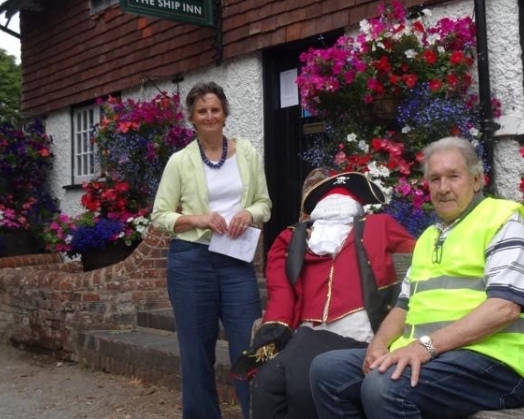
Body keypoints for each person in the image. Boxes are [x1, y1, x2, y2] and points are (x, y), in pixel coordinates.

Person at [309, 137, 524, 419]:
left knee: (385, 386)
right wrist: (378, 344)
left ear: (477, 180)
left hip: (495, 362)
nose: (443, 188)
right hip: (438, 356)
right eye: (435, 179)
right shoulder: (430, 237)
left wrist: (425, 347)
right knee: (328, 371)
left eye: (453, 176)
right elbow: (403, 306)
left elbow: (505, 307)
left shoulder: (502, 220)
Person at [234, 169, 416, 419]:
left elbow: (418, 265)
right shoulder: (292, 237)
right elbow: (281, 295)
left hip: (361, 333)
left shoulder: (379, 226)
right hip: (307, 332)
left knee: (302, 382)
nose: (334, 205)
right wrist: (272, 336)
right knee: (267, 381)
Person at [152, 81, 272, 419]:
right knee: (196, 352)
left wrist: (249, 213)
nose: (209, 116)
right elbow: (161, 216)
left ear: (225, 113)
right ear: (191, 117)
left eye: (215, 109)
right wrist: (198, 218)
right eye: (202, 110)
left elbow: (264, 203)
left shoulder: (247, 153)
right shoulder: (179, 161)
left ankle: (257, 414)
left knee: (249, 347)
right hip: (191, 262)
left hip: (235, 262)